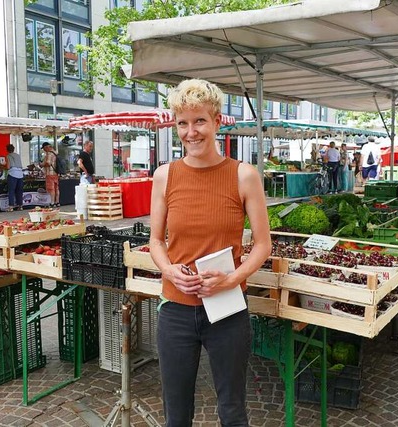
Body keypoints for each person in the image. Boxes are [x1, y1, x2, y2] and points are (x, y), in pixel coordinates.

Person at [148, 78, 271, 427]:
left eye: (199, 120)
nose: (191, 132)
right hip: (176, 311)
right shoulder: (164, 176)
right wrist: (168, 270)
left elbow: (263, 244)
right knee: (176, 413)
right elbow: (156, 241)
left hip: (227, 311)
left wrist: (231, 278)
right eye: (182, 123)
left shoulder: (244, 176)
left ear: (217, 121)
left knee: (232, 411)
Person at [5, 144, 24, 211]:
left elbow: (8, 167)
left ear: (7, 150)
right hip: (20, 174)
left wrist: (1, 166)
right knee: (19, 191)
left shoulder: (8, 156)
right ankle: (20, 206)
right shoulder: (18, 155)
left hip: (12, 174)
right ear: (14, 149)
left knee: (11, 191)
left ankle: (11, 206)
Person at [41, 142, 60, 207]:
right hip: (56, 173)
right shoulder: (55, 153)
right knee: (56, 188)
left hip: (50, 173)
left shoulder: (49, 153)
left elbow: (48, 163)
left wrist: (42, 164)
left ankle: (52, 202)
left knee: (51, 188)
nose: (44, 150)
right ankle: (57, 202)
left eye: (44, 149)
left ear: (46, 147)